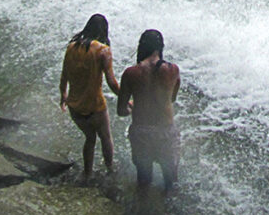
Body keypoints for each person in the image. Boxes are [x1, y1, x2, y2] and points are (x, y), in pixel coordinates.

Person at [118, 29, 180, 192]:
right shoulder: (173, 70)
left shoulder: (130, 73)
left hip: (142, 132)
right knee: (170, 181)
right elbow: (171, 99)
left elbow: (121, 110)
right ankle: (167, 213)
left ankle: (142, 211)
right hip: (165, 130)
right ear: (160, 47)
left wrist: (132, 107)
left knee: (144, 181)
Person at [59, 14, 120, 181]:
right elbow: (112, 83)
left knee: (90, 138)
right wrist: (126, 98)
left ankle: (87, 174)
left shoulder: (71, 47)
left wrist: (63, 95)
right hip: (95, 107)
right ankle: (110, 171)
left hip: (75, 107)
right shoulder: (103, 50)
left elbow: (64, 75)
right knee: (106, 138)